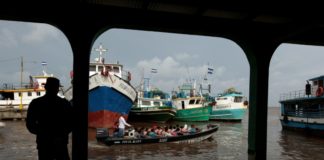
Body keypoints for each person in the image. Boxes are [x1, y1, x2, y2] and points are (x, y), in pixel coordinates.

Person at [26, 77, 73, 160]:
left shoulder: (36, 103)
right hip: (61, 142)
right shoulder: (65, 104)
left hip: (43, 143)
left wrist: (42, 132)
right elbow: (72, 123)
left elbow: (30, 125)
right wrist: (62, 133)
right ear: (58, 89)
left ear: (45, 88)